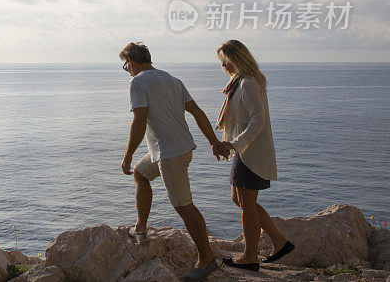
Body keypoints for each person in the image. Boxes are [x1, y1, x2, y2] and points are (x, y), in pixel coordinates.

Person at [119, 42, 223, 282]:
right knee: (141, 174)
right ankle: (141, 229)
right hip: (179, 149)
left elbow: (139, 121)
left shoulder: (138, 82)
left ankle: (206, 260)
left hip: (170, 154)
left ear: (131, 62)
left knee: (184, 205)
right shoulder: (172, 80)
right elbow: (196, 110)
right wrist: (213, 141)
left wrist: (127, 155)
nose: (127, 70)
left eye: (126, 66)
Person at [213, 40, 295, 271]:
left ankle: (250, 256)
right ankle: (279, 242)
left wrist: (234, 144)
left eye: (225, 60)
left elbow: (258, 120)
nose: (223, 66)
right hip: (245, 150)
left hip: (249, 151)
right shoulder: (240, 82)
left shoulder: (247, 83)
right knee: (239, 199)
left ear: (236, 58)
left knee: (246, 203)